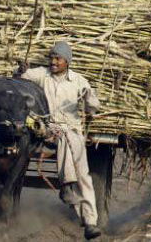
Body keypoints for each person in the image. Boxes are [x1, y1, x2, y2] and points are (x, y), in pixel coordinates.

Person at [15, 41, 102, 240]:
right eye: (51, 58)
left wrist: (89, 98)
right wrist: (20, 69)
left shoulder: (79, 81)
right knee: (62, 138)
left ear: (67, 62)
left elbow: (93, 106)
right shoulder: (42, 75)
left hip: (72, 129)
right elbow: (21, 76)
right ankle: (66, 186)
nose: (53, 62)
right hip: (46, 127)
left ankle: (90, 222)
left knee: (84, 175)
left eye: (58, 59)